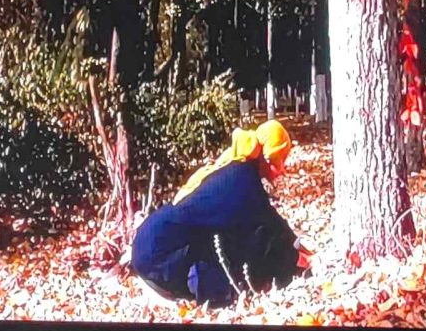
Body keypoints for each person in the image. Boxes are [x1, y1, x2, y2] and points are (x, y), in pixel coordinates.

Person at [128, 119, 308, 306]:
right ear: (268, 157)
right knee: (237, 255)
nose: (281, 170)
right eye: (280, 160)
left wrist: (294, 243)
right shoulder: (243, 183)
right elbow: (266, 228)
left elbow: (269, 218)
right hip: (159, 256)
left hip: (148, 244)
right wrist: (296, 259)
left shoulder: (236, 169)